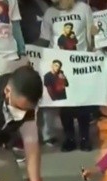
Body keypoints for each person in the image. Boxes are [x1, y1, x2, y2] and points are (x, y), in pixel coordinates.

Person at [41, 0, 94, 151]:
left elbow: (90, 35)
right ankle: (69, 138)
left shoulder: (84, 9)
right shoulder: (50, 13)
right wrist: (31, 52)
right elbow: (45, 39)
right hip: (60, 64)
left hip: (81, 64)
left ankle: (85, 138)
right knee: (65, 104)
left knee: (84, 102)